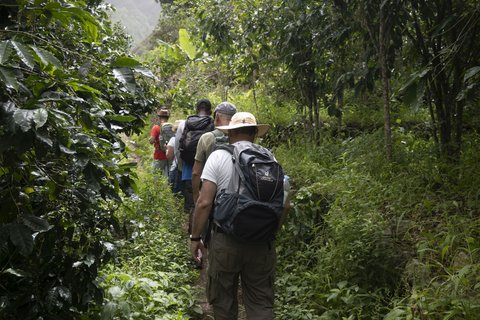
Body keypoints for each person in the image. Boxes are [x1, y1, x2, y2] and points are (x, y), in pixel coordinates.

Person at [189, 112, 291, 319]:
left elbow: (204, 202)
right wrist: (271, 232)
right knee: (261, 301)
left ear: (230, 133)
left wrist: (195, 237)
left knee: (223, 299)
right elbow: (285, 205)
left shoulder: (218, 156)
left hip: (225, 240)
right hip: (262, 242)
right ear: (254, 133)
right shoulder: (270, 158)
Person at [192, 101, 237, 203]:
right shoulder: (239, 137)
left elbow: (196, 172)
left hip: (210, 192)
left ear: (216, 117)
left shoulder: (207, 138)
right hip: (234, 194)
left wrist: (196, 196)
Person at [178, 99, 213, 217]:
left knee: (189, 195)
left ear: (197, 110)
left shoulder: (187, 122)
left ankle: (189, 221)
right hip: (205, 167)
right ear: (210, 111)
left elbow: (180, 143)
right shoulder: (211, 123)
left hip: (188, 163)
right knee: (204, 196)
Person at [149, 108, 171, 176]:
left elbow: (151, 141)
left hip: (158, 156)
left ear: (159, 117)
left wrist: (150, 139)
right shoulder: (171, 127)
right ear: (168, 117)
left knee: (156, 176)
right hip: (169, 155)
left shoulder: (156, 127)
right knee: (167, 177)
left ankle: (157, 186)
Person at [166, 120, 184, 194]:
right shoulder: (187, 139)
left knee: (174, 193)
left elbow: (169, 156)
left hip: (175, 168)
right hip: (186, 169)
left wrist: (167, 148)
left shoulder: (173, 139)